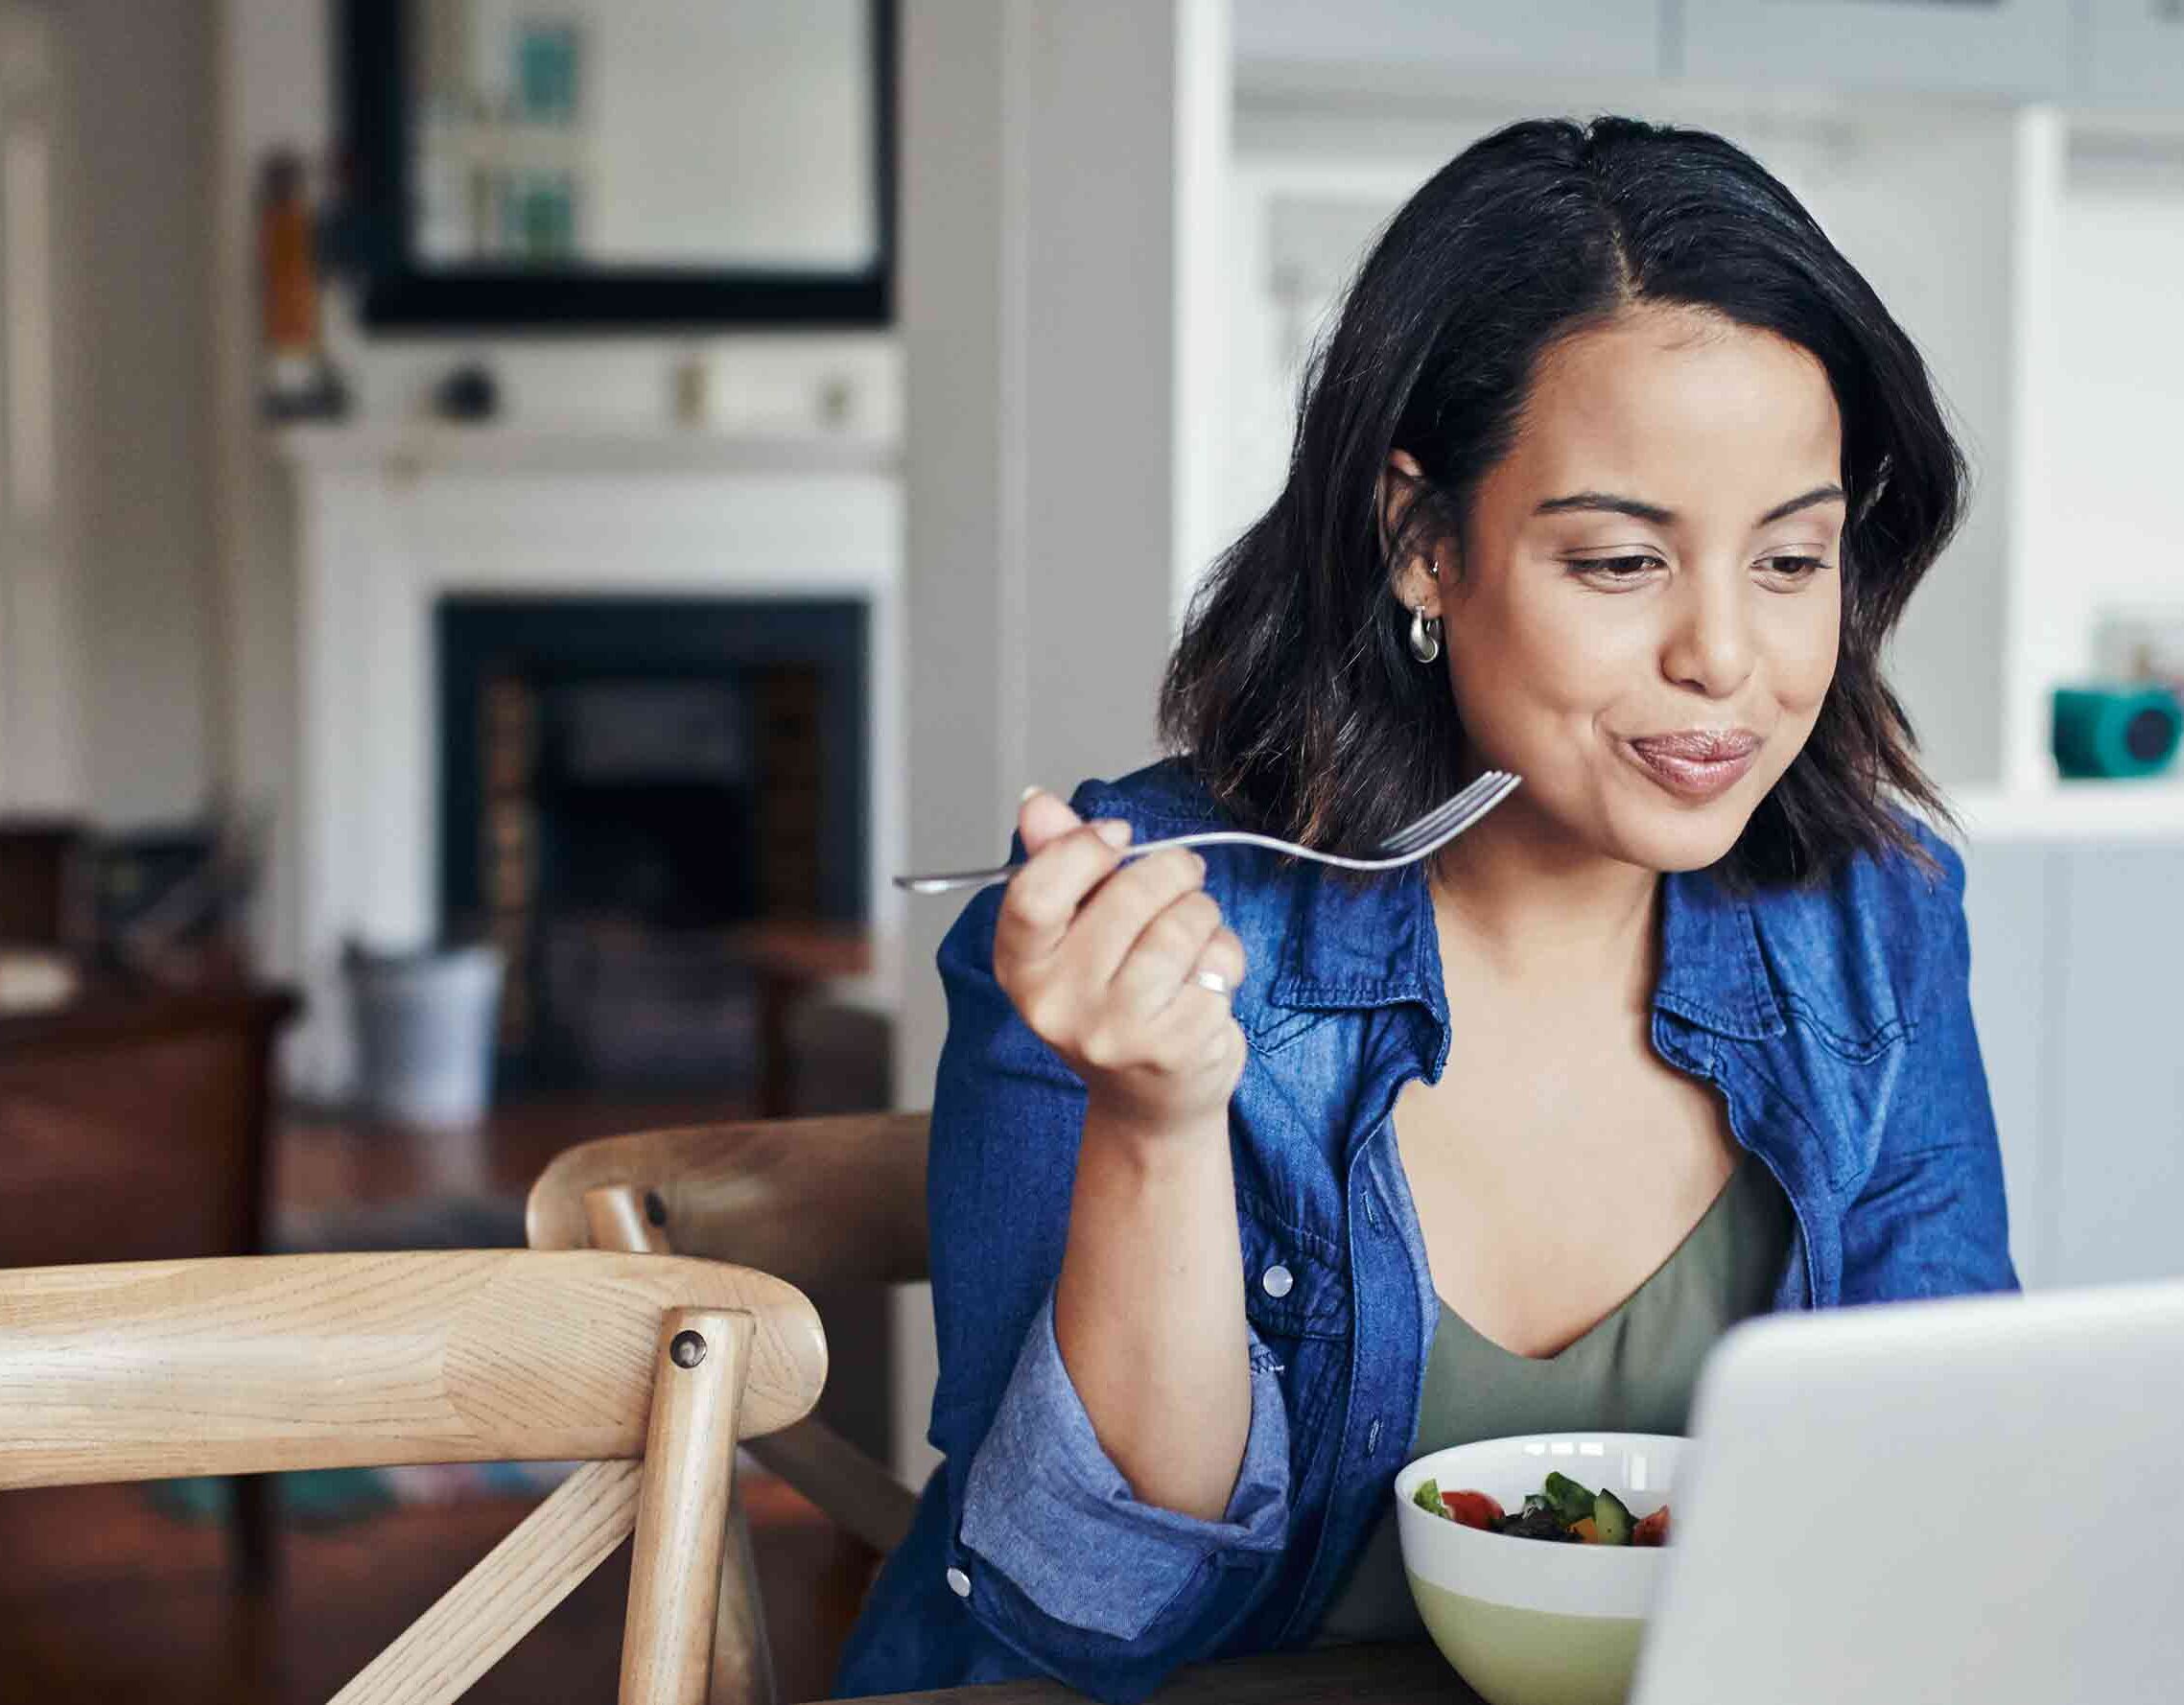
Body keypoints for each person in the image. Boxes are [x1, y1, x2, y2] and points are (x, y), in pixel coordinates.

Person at [834, 115, 2014, 1702]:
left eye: (1794, 557)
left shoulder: (1876, 925)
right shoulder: (1141, 925)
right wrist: (1159, 1124)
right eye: (1618, 562)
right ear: (1423, 542)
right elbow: (1095, 1607)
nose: (1726, 656)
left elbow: (1941, 1499)